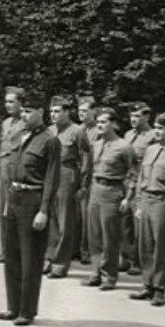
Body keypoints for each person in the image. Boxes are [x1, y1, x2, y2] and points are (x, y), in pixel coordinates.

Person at [0, 95, 60, 326]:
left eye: (28, 112)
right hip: (14, 197)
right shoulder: (20, 136)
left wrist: (44, 210)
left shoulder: (50, 141)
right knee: (11, 256)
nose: (23, 116)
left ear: (40, 112)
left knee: (30, 258)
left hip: (33, 200)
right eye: (22, 112)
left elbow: (52, 179)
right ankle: (13, 307)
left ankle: (27, 311)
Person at [129, 112, 165, 307]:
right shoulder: (150, 149)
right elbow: (141, 179)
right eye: (155, 127)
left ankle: (159, 289)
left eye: (161, 128)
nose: (157, 131)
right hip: (146, 200)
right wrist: (138, 204)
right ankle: (147, 284)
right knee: (144, 245)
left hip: (163, 202)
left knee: (161, 247)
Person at [84, 107, 136, 290]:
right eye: (98, 122)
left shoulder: (124, 146)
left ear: (114, 124)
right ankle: (96, 271)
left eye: (104, 122)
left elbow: (133, 173)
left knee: (110, 236)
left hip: (113, 191)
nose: (100, 125)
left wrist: (127, 197)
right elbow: (91, 169)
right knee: (94, 234)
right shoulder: (96, 144)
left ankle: (110, 276)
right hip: (96, 189)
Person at [44, 95, 88, 278]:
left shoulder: (77, 131)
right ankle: (49, 258)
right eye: (51, 112)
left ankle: (61, 264)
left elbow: (86, 158)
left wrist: (83, 185)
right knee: (50, 219)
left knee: (65, 222)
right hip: (49, 175)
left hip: (67, 174)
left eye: (57, 111)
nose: (53, 115)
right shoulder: (49, 131)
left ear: (67, 112)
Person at [121, 102, 157, 275]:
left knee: (139, 224)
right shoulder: (128, 134)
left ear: (147, 117)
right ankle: (127, 257)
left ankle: (138, 261)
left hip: (142, 182)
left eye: (138, 116)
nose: (133, 119)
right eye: (132, 116)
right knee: (125, 221)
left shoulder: (152, 135)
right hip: (126, 180)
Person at [0, 86, 26, 264]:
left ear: (21, 103)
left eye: (11, 102)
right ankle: (6, 251)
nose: (7, 105)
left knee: (18, 213)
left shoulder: (26, 122)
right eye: (6, 102)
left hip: (18, 169)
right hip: (4, 168)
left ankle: (19, 253)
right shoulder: (5, 123)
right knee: (3, 211)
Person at [75, 95, 99, 265]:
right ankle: (74, 249)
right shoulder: (77, 129)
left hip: (91, 175)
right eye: (79, 110)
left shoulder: (99, 131)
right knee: (74, 215)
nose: (81, 114)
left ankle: (86, 251)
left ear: (94, 112)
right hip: (75, 174)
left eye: (85, 111)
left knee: (86, 215)